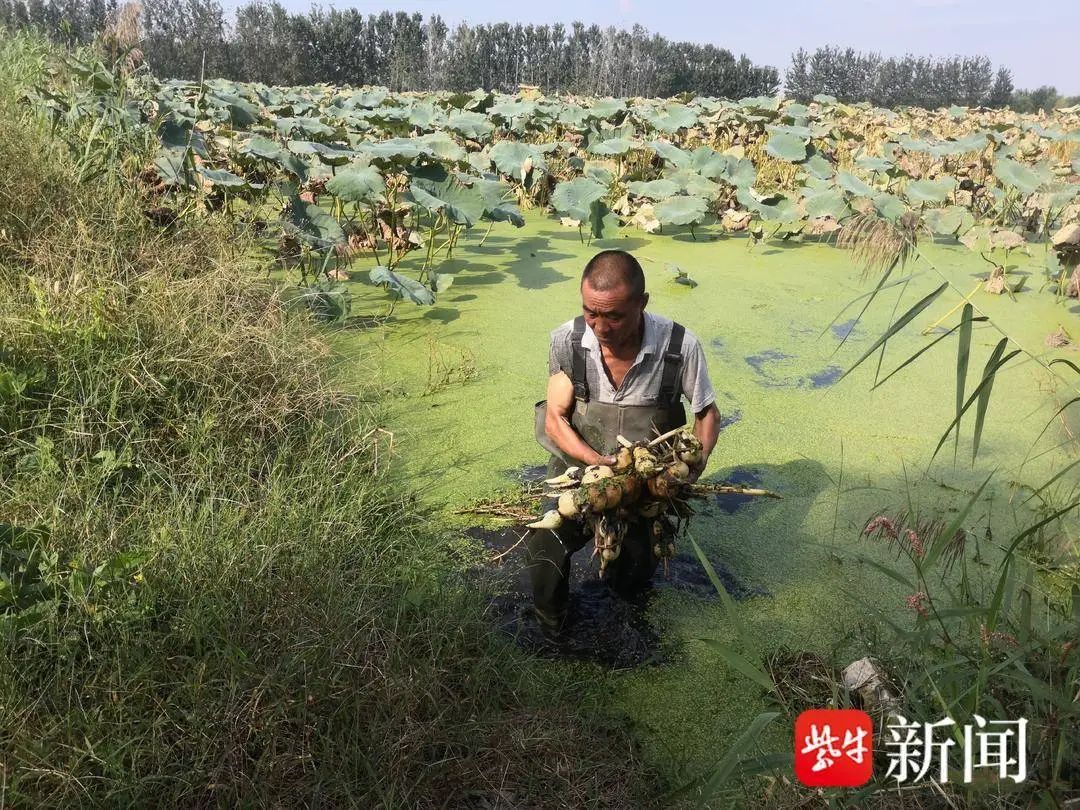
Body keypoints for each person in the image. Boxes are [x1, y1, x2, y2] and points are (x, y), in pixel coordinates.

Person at [527, 249, 722, 634]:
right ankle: (551, 628)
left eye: (614, 316)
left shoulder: (679, 347)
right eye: (591, 313)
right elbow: (554, 419)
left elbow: (707, 416)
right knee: (545, 548)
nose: (600, 327)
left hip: (647, 485)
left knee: (635, 569)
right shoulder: (567, 341)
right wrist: (598, 462)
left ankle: (624, 622)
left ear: (642, 304)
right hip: (582, 473)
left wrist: (687, 475)